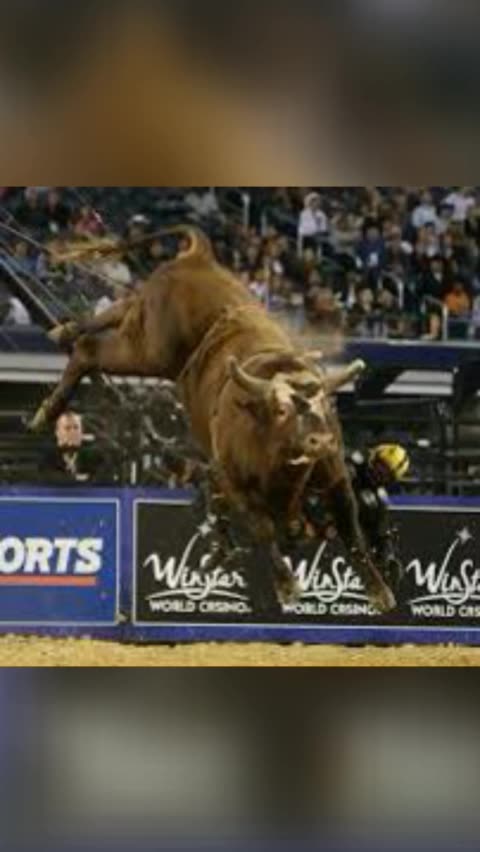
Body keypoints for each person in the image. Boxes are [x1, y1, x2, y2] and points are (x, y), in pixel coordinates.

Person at [295, 443, 410, 593]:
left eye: (385, 473)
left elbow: (381, 534)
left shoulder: (377, 502)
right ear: (373, 457)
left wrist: (387, 557)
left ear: (390, 480)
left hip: (326, 530)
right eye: (380, 466)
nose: (378, 473)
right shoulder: (351, 461)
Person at [39, 411, 114, 485]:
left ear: (82, 431)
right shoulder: (46, 454)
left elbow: (105, 476)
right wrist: (74, 479)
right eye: (67, 428)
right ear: (57, 432)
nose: (73, 432)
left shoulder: (95, 454)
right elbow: (44, 477)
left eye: (76, 428)